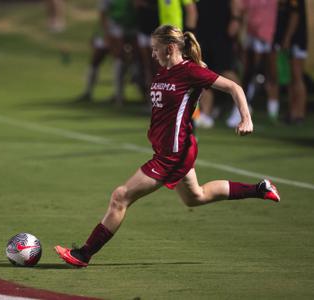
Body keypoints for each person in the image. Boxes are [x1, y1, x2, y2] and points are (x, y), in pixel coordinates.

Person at [55, 25, 280, 268]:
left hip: (173, 155)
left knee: (120, 196)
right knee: (196, 196)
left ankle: (83, 254)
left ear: (170, 48)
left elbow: (234, 88)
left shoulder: (191, 72)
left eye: (156, 49)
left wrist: (246, 118)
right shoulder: (163, 73)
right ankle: (259, 188)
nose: (152, 54)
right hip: (171, 150)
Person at [195, 0, 243, 128]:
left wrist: (236, 19)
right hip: (202, 29)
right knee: (202, 71)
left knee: (226, 71)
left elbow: (236, 3)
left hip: (221, 29)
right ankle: (206, 113)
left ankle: (242, 107)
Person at [267, 0, 308, 125]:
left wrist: (287, 38)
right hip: (288, 40)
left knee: (297, 77)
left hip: (296, 40)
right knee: (290, 78)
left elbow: (295, 16)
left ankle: (299, 112)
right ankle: (292, 111)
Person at [240, 0, 278, 122]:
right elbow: (243, 11)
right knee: (250, 73)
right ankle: (246, 105)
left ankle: (273, 110)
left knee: (269, 74)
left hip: (267, 36)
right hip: (250, 35)